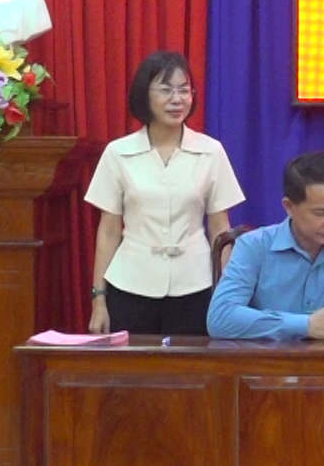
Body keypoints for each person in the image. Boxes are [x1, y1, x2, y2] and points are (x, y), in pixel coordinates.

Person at [85, 52, 245, 337]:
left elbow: (220, 229)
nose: (177, 99)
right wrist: (99, 300)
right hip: (130, 285)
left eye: (184, 90)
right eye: (166, 89)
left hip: (195, 286)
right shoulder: (118, 153)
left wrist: (225, 296)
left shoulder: (211, 151)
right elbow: (108, 231)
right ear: (144, 95)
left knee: (191, 364)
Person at [207, 151, 324, 340]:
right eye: (321, 213)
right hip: (268, 358)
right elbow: (220, 318)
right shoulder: (253, 246)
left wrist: (270, 324)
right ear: (289, 207)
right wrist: (306, 325)